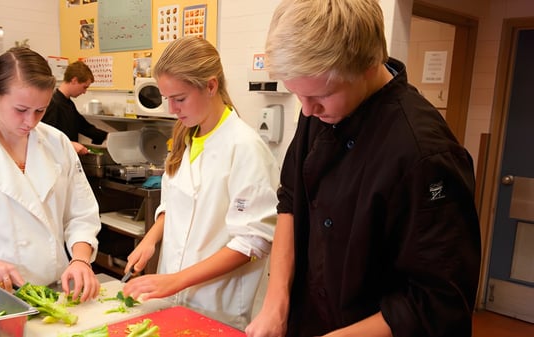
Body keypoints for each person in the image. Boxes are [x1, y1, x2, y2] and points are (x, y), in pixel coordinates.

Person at [245, 1, 482, 337]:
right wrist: (276, 301)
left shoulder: (426, 154)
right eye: (298, 95)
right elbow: (291, 199)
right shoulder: (319, 110)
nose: (308, 110)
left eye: (322, 95)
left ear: (369, 65)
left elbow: (437, 303)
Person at [122, 36, 280, 330]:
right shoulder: (186, 137)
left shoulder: (244, 147)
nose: (172, 109)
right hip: (175, 294)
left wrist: (176, 280)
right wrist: (151, 239)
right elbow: (174, 204)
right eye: (166, 98)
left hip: (218, 302)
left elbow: (253, 240)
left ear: (210, 86)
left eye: (179, 99)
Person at [0, 47, 101, 301]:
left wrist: (80, 259)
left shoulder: (57, 143)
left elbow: (80, 215)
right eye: (21, 109)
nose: (30, 122)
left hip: (52, 291)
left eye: (40, 110)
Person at [42, 60, 107, 155]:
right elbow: (45, 136)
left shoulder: (69, 103)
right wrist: (70, 144)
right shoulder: (53, 103)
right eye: (84, 87)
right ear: (74, 80)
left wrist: (106, 136)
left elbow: (83, 126)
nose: (84, 92)